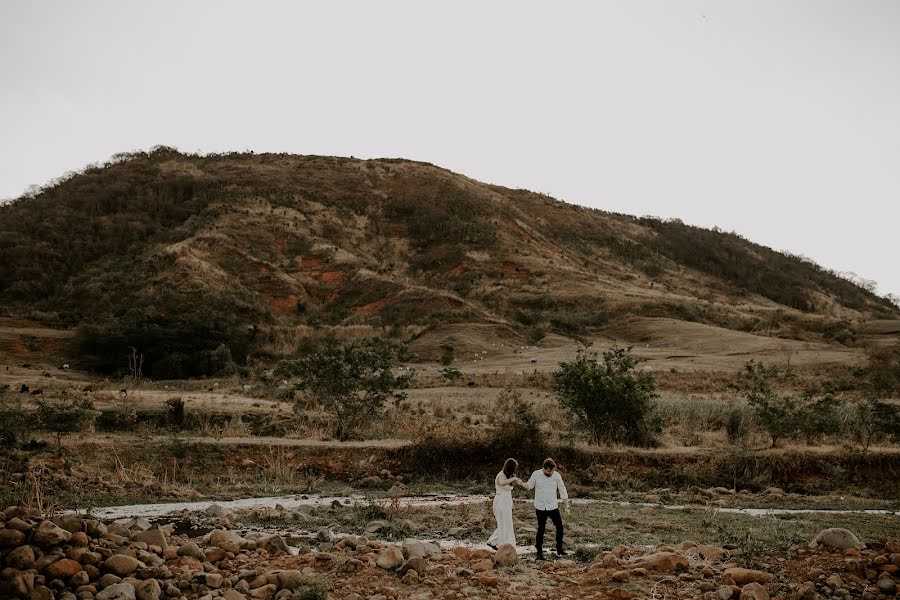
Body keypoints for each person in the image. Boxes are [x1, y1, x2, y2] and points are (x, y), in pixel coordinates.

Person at [526, 457, 569, 560]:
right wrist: (518, 483)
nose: (550, 473)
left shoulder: (557, 475)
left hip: (553, 506)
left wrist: (566, 505)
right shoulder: (536, 474)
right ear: (544, 468)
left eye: (552, 470)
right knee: (541, 528)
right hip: (540, 506)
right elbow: (529, 486)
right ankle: (539, 553)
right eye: (548, 471)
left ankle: (559, 549)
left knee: (560, 527)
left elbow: (562, 489)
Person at [487, 458, 526, 548]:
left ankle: (494, 541)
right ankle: (502, 544)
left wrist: (512, 503)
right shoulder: (501, 475)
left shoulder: (509, 476)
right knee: (503, 523)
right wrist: (513, 479)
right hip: (500, 500)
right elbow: (502, 483)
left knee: (507, 523)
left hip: (507, 501)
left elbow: (509, 491)